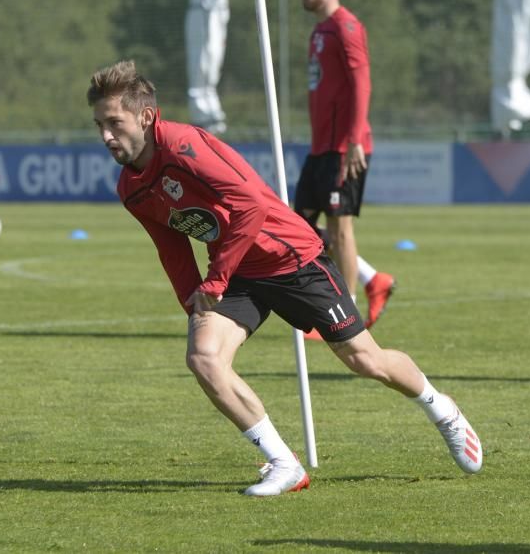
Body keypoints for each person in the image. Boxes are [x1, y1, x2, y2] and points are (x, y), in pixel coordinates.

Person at [88, 60, 483, 495]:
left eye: (114, 122)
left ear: (145, 116)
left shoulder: (185, 146)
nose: (106, 135)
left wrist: (215, 280)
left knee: (365, 360)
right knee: (204, 358)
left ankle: (441, 409)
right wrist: (191, 299)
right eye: (99, 125)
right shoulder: (131, 187)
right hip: (238, 273)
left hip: (292, 259)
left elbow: (252, 205)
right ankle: (283, 463)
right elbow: (170, 244)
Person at [295, 0, 396, 329]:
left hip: (344, 148)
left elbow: (361, 84)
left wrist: (354, 140)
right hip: (320, 148)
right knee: (297, 227)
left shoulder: (347, 27)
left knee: (340, 228)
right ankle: (373, 279)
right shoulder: (320, 31)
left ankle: (345, 315)